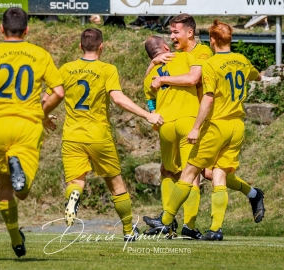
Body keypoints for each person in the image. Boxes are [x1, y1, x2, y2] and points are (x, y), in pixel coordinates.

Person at [143, 14, 265, 239]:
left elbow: (198, 86)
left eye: (175, 32)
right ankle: (239, 207)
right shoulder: (240, 59)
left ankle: (169, 221)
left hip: (213, 123)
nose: (172, 36)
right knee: (214, 173)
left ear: (210, 40)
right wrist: (153, 66)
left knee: (191, 173)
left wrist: (196, 126)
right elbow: (256, 75)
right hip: (236, 123)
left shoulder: (207, 60)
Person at [42, 28, 164, 241]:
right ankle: (128, 231)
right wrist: (147, 115)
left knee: (76, 181)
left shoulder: (66, 69)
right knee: (116, 185)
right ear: (101, 47)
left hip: (72, 136)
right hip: (99, 135)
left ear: (80, 46)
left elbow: (48, 97)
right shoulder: (107, 69)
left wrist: (43, 117)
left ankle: (74, 196)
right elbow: (118, 98)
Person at [0, 7, 65, 257]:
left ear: (1, 28)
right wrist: (42, 112)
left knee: (4, 188)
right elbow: (59, 92)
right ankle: (20, 172)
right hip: (27, 126)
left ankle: (16, 240)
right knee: (22, 191)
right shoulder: (39, 54)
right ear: (27, 30)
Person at [143, 36, 199, 238]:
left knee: (167, 172)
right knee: (191, 175)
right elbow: (195, 78)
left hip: (165, 125)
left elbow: (151, 105)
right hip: (187, 121)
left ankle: (166, 224)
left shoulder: (150, 75)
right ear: (166, 47)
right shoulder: (185, 57)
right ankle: (189, 226)